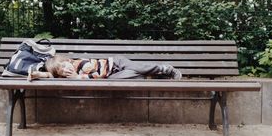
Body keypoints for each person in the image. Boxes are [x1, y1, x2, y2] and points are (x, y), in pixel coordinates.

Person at [28, 54, 182, 81]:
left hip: (115, 63)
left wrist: (78, 77)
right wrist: (37, 75)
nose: (64, 69)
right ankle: (155, 76)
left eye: (63, 65)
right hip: (113, 75)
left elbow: (99, 75)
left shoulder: (80, 65)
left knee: (139, 68)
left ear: (68, 60)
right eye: (60, 71)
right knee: (129, 78)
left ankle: (167, 69)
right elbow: (52, 76)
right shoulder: (66, 75)